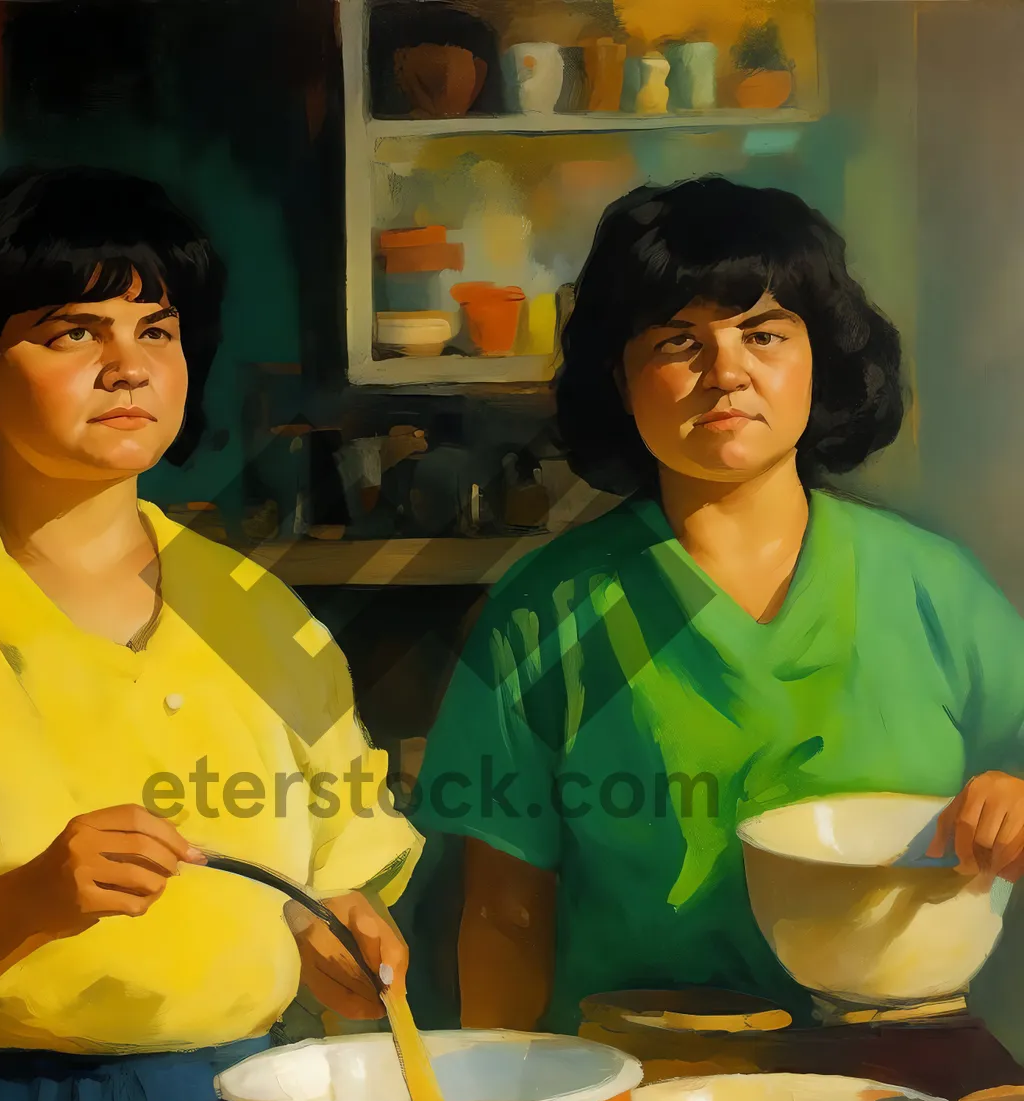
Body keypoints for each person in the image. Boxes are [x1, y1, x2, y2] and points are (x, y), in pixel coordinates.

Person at [0, 166, 422, 1101]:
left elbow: (332, 878)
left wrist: (339, 937)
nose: (127, 368)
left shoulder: (261, 616)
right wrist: (27, 904)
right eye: (71, 333)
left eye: (156, 330)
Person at [403, 176, 1024, 1037]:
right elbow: (504, 919)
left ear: (822, 358)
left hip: (900, 1071)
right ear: (621, 381)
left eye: (764, 333)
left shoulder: (935, 589)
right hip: (640, 1080)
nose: (727, 372)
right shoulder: (546, 615)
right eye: (678, 342)